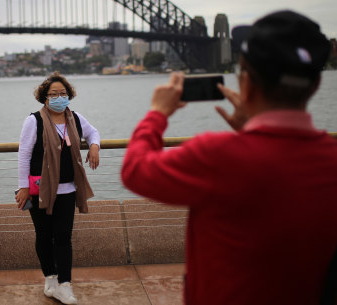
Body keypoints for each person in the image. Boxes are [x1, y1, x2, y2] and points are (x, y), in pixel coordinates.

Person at [121, 10, 337, 305]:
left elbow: (135, 170)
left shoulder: (217, 156)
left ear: (245, 82)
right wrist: (251, 131)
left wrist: (157, 114)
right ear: (315, 85)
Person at [16, 71, 100, 304]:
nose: (59, 97)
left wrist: (94, 146)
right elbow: (24, 155)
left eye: (63, 93)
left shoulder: (75, 118)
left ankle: (65, 284)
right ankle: (50, 280)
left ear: (69, 95)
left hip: (68, 190)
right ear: (45, 97)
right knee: (43, 235)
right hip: (39, 189)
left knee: (63, 237)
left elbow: (93, 132)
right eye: (53, 94)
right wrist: (23, 187)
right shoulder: (33, 121)